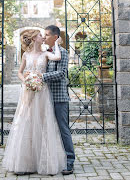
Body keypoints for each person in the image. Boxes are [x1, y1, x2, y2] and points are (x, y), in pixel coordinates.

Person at [2, 29, 66, 175]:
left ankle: (45, 162)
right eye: (39, 35)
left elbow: (57, 57)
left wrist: (56, 43)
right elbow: (20, 72)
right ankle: (25, 163)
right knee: (27, 122)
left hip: (42, 93)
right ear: (33, 38)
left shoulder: (46, 54)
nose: (42, 37)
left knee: (43, 122)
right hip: (28, 92)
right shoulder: (25, 55)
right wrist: (26, 80)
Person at [41, 25, 75, 175]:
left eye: (47, 35)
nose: (45, 37)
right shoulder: (44, 53)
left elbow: (61, 74)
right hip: (43, 98)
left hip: (59, 98)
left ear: (55, 37)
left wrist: (41, 77)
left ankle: (69, 161)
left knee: (63, 129)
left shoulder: (63, 52)